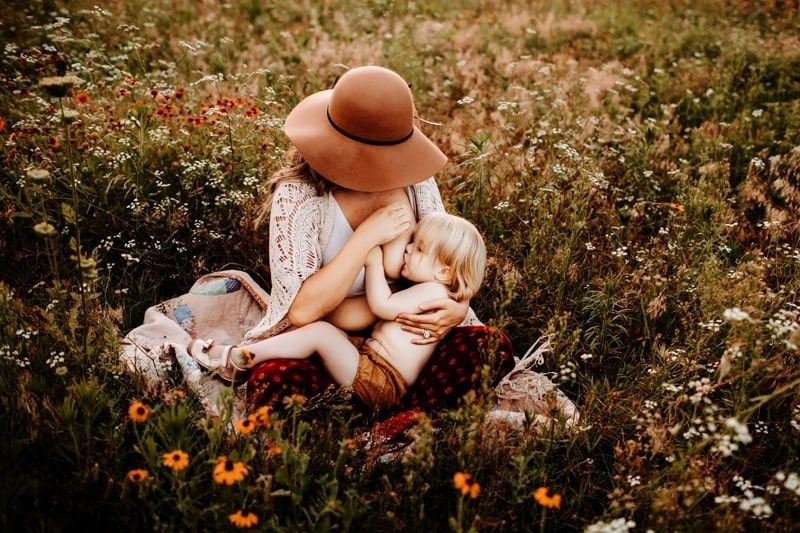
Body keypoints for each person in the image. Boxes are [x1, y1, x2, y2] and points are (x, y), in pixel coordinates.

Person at [191, 213, 486, 412]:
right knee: (314, 336)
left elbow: (382, 305)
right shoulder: (434, 290)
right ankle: (251, 355)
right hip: (372, 363)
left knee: (321, 334)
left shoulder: (432, 292)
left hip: (382, 382)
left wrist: (372, 264)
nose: (408, 250)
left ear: (444, 271)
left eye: (419, 249)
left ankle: (238, 359)